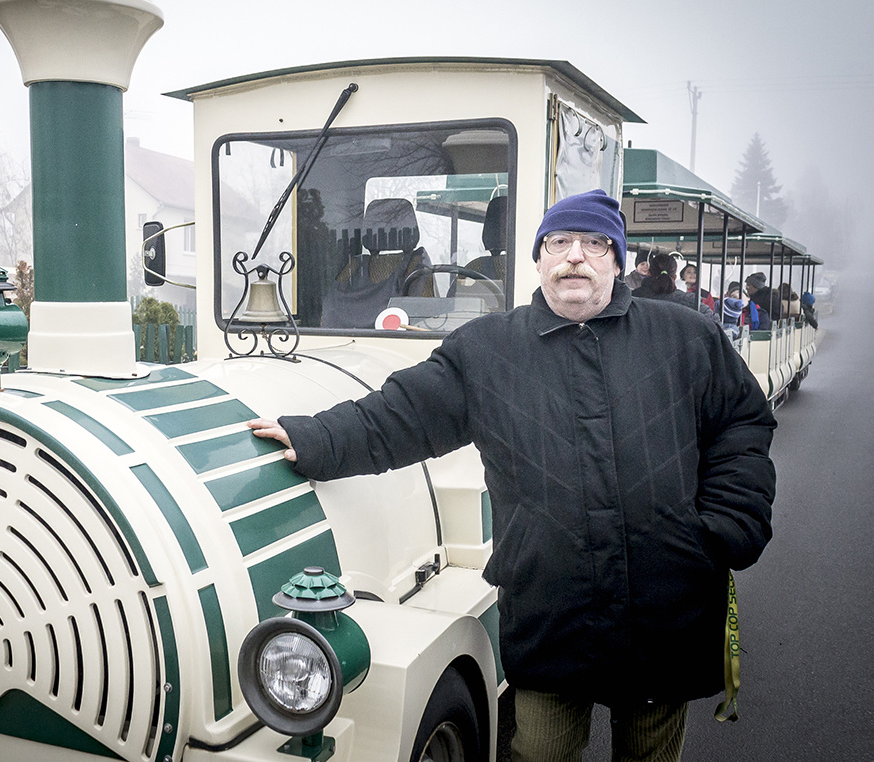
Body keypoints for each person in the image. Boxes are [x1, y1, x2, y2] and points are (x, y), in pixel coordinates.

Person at [249, 189, 776, 762]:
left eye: (594, 244)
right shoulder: (487, 350)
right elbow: (396, 419)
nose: (575, 256)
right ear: (540, 257)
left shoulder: (686, 339)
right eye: (559, 243)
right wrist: (312, 438)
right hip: (552, 610)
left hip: (665, 605)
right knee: (541, 753)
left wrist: (728, 523)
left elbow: (742, 424)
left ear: (617, 260)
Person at [635, 252, 713, 316]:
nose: (692, 275)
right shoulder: (694, 303)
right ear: (675, 277)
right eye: (689, 272)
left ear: (648, 273)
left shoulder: (632, 298)